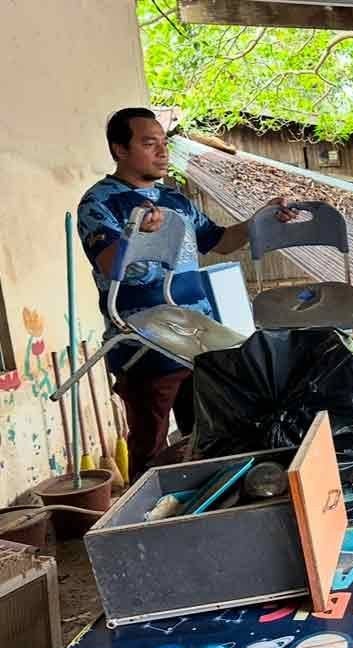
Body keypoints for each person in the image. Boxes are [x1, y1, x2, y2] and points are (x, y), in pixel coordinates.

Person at [77, 107, 292, 481]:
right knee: (151, 452)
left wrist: (260, 219)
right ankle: (146, 526)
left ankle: (204, 516)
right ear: (119, 150)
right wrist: (139, 234)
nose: (162, 152)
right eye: (149, 144)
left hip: (197, 338)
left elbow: (221, 242)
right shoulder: (99, 203)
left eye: (163, 143)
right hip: (144, 346)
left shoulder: (175, 200)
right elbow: (111, 265)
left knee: (209, 441)